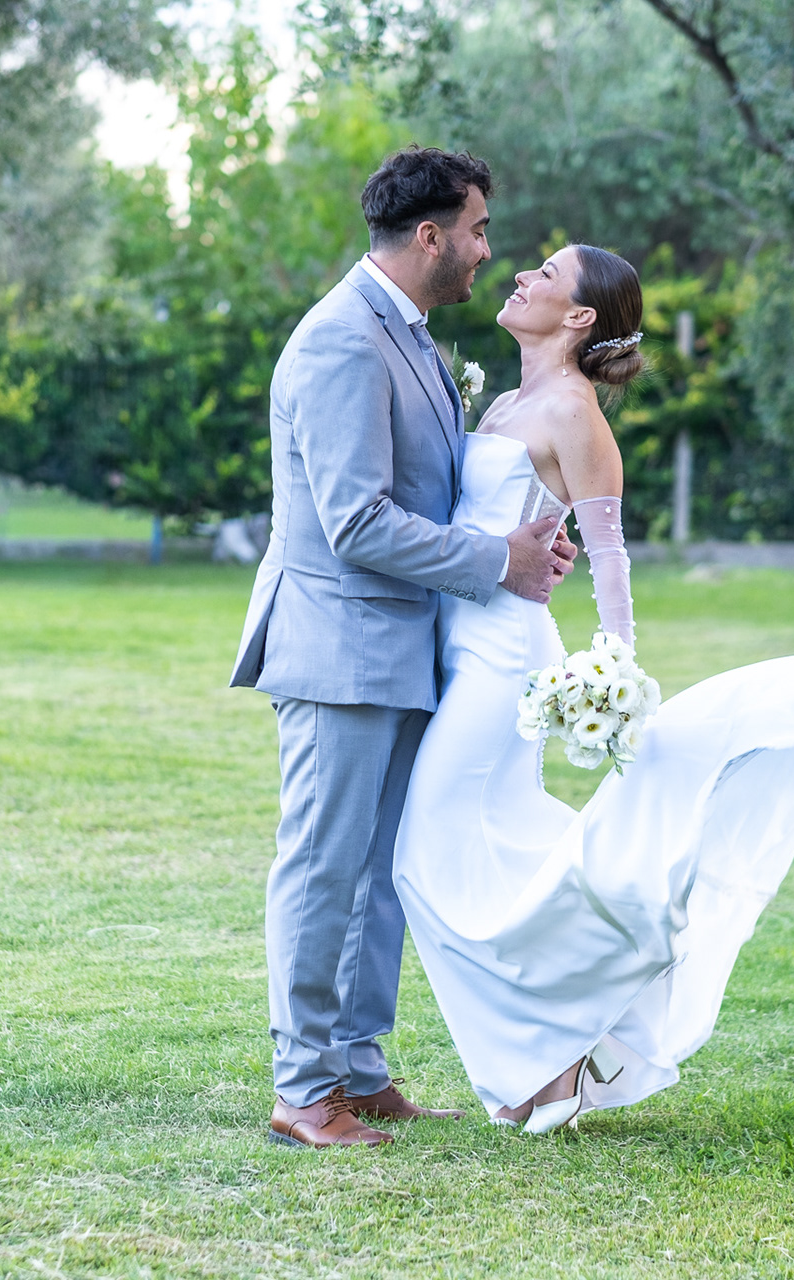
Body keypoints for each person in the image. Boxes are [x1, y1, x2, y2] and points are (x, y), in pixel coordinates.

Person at [392, 244, 794, 1133]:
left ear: (578, 318)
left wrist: (612, 670)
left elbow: (609, 555)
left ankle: (555, 1050)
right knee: (496, 851)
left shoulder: (575, 414)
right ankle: (558, 1050)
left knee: (422, 858)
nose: (522, 276)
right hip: (456, 645)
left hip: (502, 660)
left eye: (546, 275)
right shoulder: (500, 405)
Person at [229, 148, 578, 1148]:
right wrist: (496, 561)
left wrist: (523, 541)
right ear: (429, 236)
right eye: (476, 231)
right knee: (323, 867)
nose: (487, 251)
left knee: (379, 871)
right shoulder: (343, 339)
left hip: (406, 647)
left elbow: (433, 488)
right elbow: (356, 522)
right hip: (339, 646)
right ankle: (305, 1092)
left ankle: (358, 1066)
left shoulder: (411, 333)